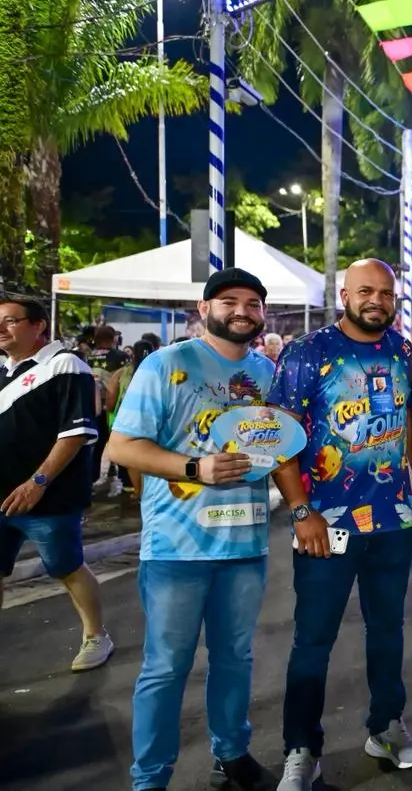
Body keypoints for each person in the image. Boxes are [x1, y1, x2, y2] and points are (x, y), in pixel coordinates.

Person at [107, 268, 277, 791]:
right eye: (229, 301)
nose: (242, 311)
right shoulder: (165, 364)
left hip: (246, 543)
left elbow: (281, 446)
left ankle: (232, 753)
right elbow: (121, 447)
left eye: (253, 303)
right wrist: (193, 468)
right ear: (204, 309)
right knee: (166, 667)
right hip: (176, 547)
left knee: (235, 658)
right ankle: (149, 779)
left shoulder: (268, 372)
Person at [268, 260, 412, 789]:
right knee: (313, 640)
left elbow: (410, 425)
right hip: (325, 525)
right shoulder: (307, 352)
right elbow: (279, 438)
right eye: (366, 291)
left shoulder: (403, 351)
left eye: (385, 293)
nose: (376, 300)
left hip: (392, 521)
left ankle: (386, 727)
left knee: (388, 631)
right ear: (345, 295)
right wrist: (300, 511)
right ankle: (301, 749)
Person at [0, 296, 113, 672]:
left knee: (66, 566)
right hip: (2, 493)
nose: (1, 328)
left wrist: (38, 482)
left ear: (38, 325)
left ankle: (96, 635)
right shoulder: (3, 369)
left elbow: (75, 433)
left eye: (10, 320)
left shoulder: (65, 365)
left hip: (48, 497)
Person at [106, 340, 156, 507]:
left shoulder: (122, 373)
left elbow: (111, 399)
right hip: (153, 419)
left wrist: (108, 411)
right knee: (151, 455)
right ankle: (149, 490)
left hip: (127, 420)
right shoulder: (158, 370)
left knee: (132, 458)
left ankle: (137, 491)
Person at [86, 324, 127, 496]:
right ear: (112, 339)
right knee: (121, 442)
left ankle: (91, 479)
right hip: (114, 408)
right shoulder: (120, 356)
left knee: (96, 444)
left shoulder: (88, 357)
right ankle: (125, 480)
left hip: (92, 406)